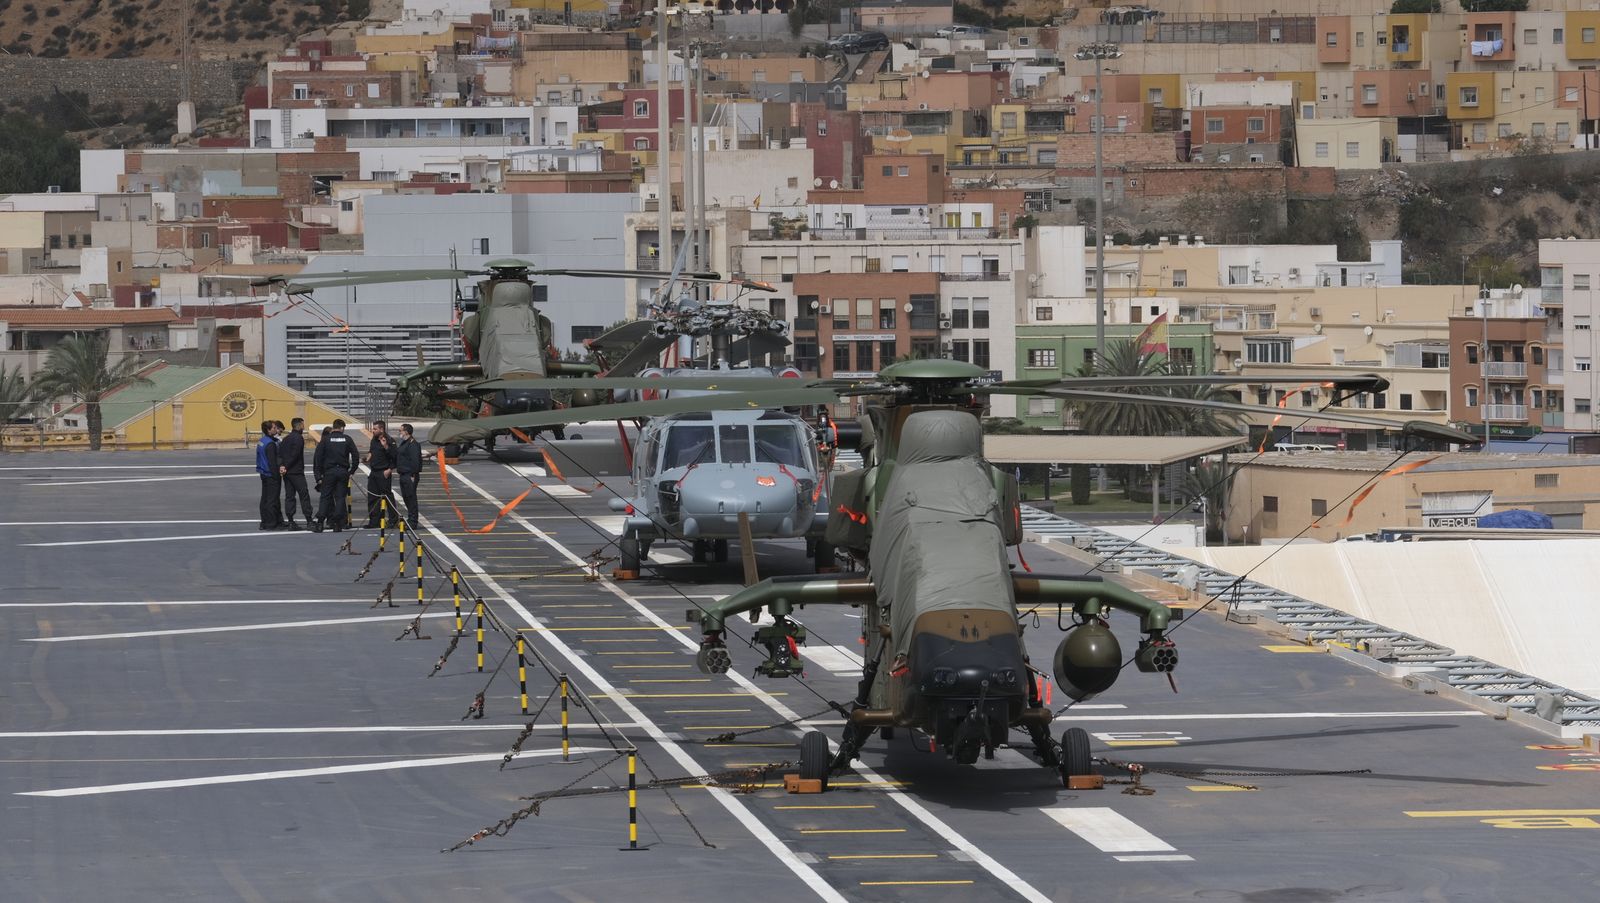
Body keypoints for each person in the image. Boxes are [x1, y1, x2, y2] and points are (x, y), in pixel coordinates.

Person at [313, 419, 360, 533]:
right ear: (342, 428)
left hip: (329, 472)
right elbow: (355, 456)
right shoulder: (347, 439)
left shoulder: (325, 440)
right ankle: (337, 524)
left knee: (325, 497)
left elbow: (318, 459)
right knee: (339, 498)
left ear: (333, 427)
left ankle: (320, 523)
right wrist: (351, 470)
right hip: (343, 471)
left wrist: (318, 476)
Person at [279, 418, 312, 530]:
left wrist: (283, 466)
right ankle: (309, 520)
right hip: (296, 472)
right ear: (300, 425)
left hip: (287, 473)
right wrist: (287, 466)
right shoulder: (298, 438)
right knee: (304, 495)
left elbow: (281, 454)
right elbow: (295, 454)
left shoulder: (286, 439)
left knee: (289, 496)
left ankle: (291, 520)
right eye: (303, 424)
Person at [364, 419, 396, 528]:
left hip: (383, 472)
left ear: (381, 429)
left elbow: (395, 457)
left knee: (387, 497)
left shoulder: (389, 440)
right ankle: (374, 521)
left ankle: (393, 520)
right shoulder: (374, 439)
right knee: (372, 497)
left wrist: (389, 470)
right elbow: (372, 450)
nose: (373, 431)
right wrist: (368, 457)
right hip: (374, 472)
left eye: (375, 429)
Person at [256, 420, 285, 530]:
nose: (275, 429)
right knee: (272, 499)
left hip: (263, 472)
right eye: (273, 428)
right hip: (271, 474)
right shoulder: (271, 444)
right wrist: (277, 476)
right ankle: (272, 523)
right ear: (268, 430)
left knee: (265, 498)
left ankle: (264, 521)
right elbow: (272, 462)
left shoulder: (262, 441)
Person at [395, 423, 424, 528]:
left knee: (411, 498)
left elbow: (415, 461)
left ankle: (413, 521)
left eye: (400, 430)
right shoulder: (405, 443)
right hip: (403, 474)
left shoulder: (412, 444)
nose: (399, 432)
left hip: (409, 475)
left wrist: (413, 474)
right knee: (406, 497)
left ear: (406, 431)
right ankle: (410, 518)